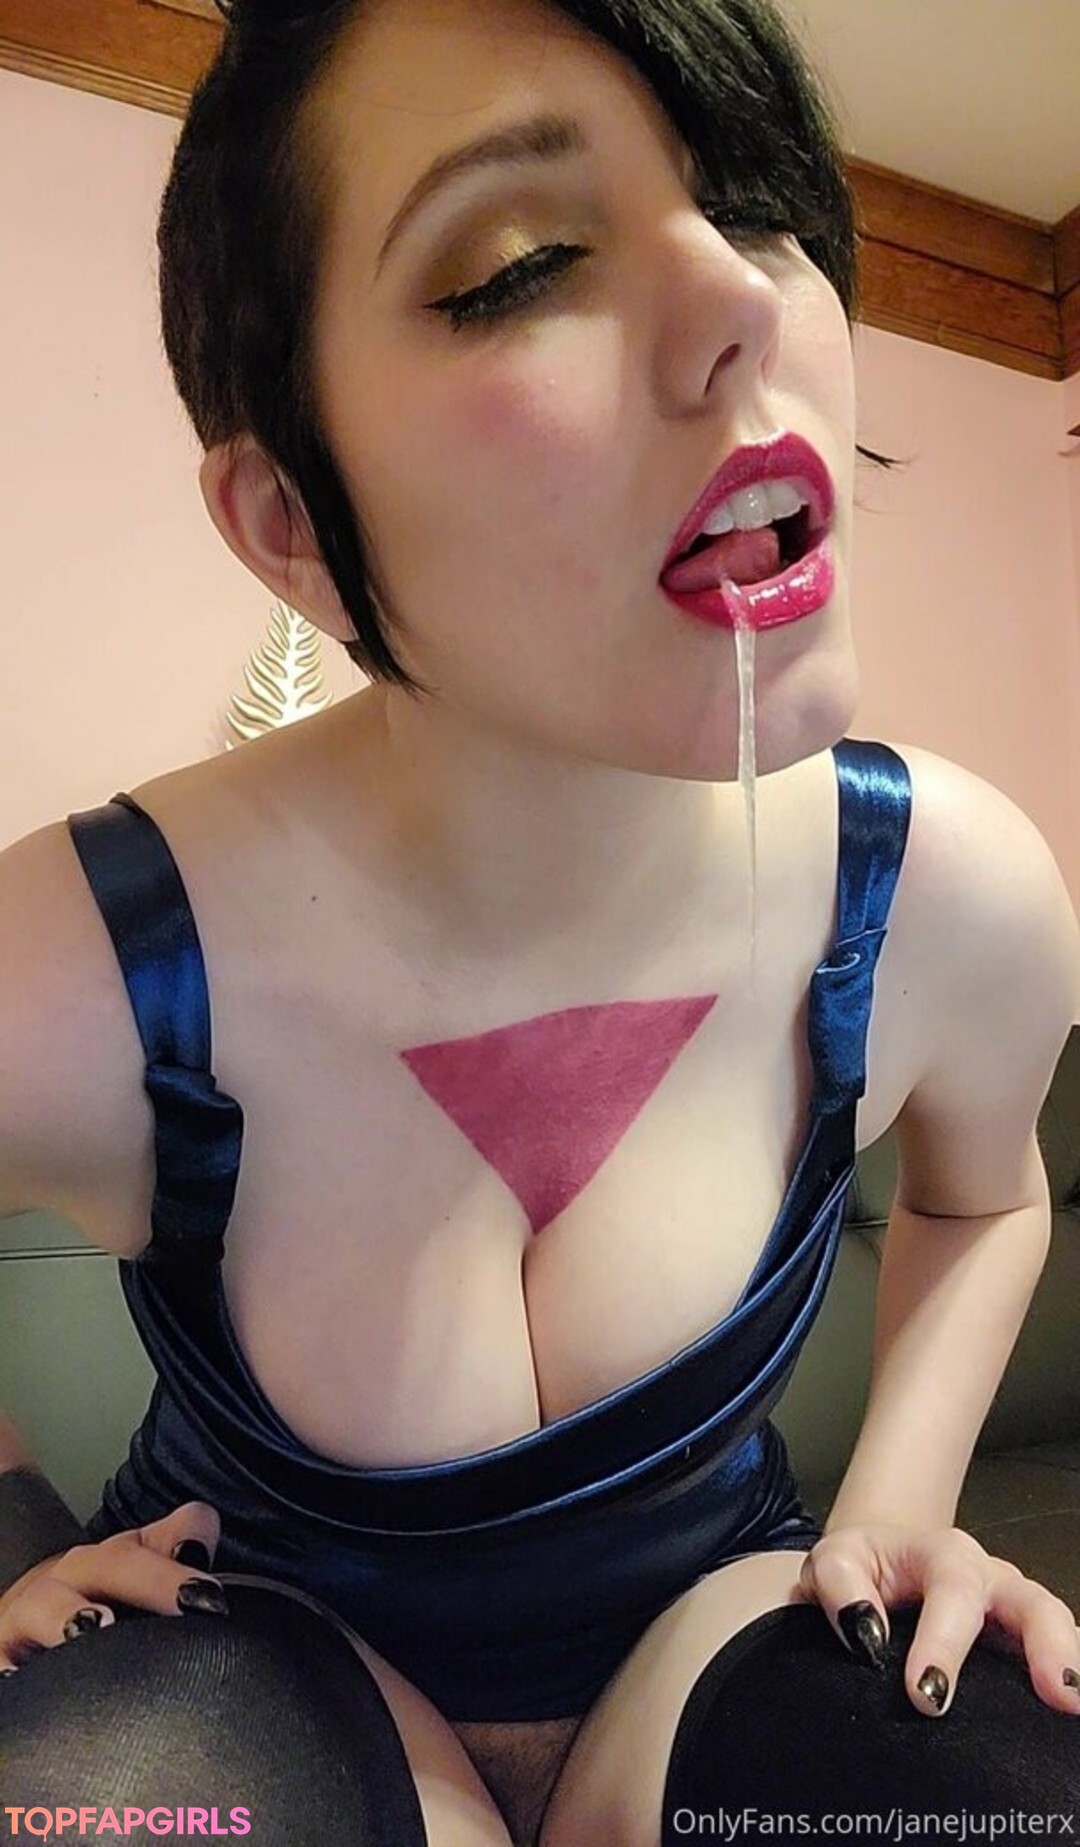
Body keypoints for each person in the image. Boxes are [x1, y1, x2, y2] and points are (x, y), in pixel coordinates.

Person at [1, 0, 1078, 1840]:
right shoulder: (92, 958)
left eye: (755, 202)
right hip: (256, 1668)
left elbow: (987, 1196)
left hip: (720, 1643)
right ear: (291, 518)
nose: (744, 297)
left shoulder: (948, 892)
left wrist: (900, 1500)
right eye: (518, 265)